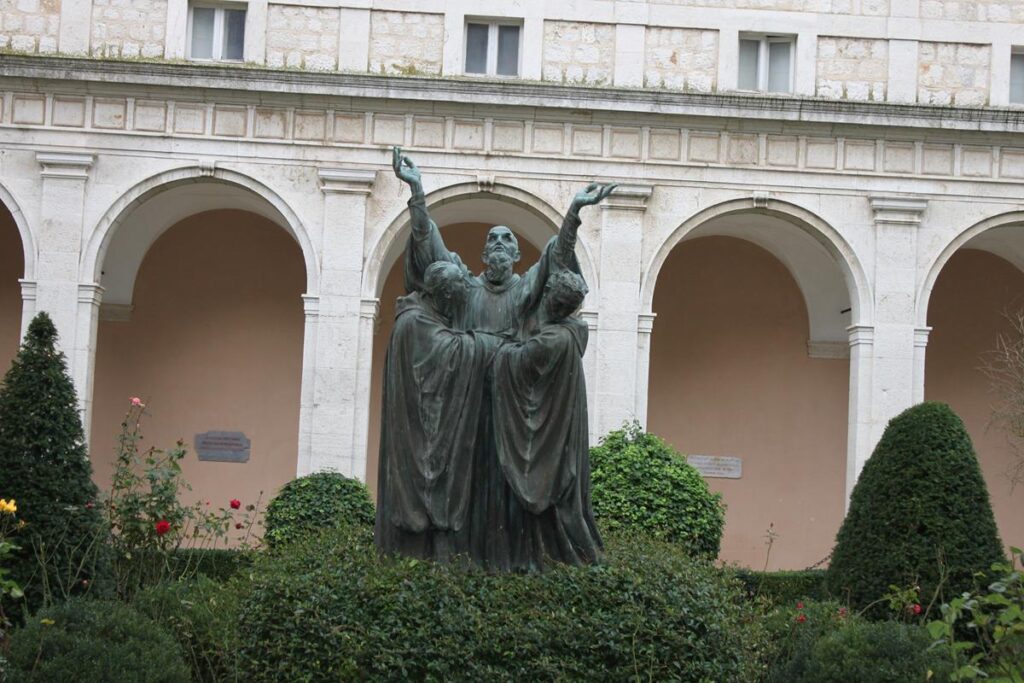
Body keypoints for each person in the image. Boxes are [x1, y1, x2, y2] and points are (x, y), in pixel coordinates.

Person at [374, 261, 502, 562]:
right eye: (457, 297)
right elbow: (448, 352)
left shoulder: (422, 316)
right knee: (426, 492)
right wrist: (486, 343)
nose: (459, 306)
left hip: (425, 425)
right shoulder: (415, 322)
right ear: (443, 295)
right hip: (418, 434)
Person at [490, 270, 603, 569]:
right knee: (567, 501)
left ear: (555, 301)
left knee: (556, 503)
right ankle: (583, 556)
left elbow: (511, 361)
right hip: (565, 430)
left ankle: (573, 558)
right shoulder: (575, 330)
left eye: (549, 293)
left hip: (552, 438)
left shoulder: (552, 340)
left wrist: (497, 346)